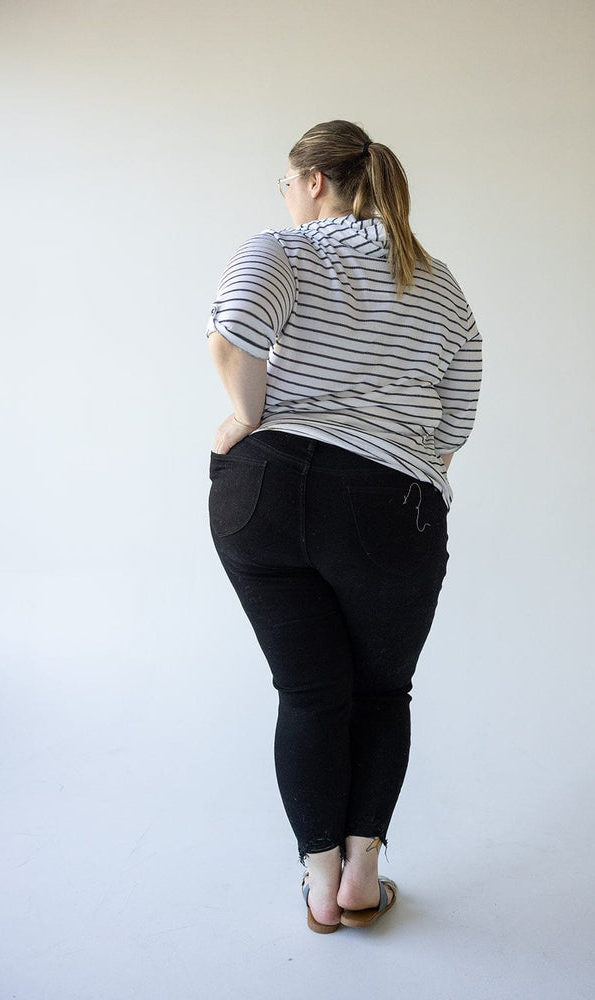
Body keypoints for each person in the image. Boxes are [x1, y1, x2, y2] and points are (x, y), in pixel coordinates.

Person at [205, 120, 482, 933]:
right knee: (379, 690)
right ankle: (362, 880)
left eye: (287, 185)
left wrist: (243, 416)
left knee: (308, 691)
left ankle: (318, 888)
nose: (285, 200)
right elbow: (456, 419)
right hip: (389, 506)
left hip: (263, 493)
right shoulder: (436, 282)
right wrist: (405, 470)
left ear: (315, 181)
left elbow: (231, 336)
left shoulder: (282, 249)